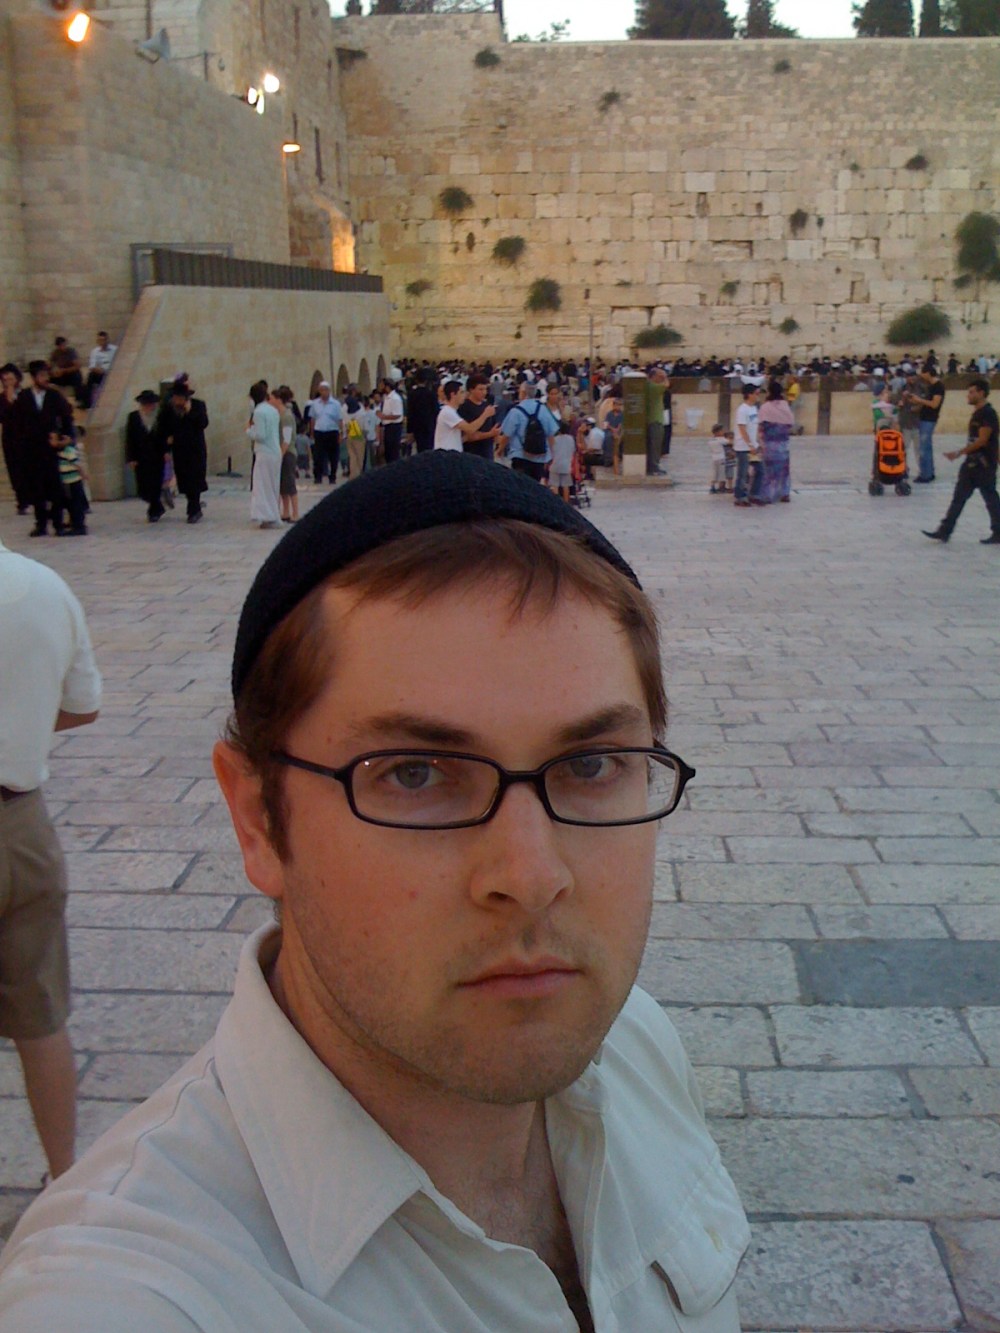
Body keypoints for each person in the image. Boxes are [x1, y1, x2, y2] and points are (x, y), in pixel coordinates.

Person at [0, 452, 749, 1330]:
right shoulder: (124, 1296)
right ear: (257, 819)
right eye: (417, 773)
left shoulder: (639, 1050)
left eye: (592, 765)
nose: (532, 875)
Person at [0, 541, 101, 1183]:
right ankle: (64, 1174)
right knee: (41, 1013)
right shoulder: (43, 587)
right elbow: (84, 705)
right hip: (20, 825)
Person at [923, 377, 1000, 545]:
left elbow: (983, 440)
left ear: (981, 393)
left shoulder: (987, 413)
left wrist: (958, 452)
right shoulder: (979, 413)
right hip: (972, 465)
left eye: (972, 392)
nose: (968, 396)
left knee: (990, 499)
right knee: (959, 498)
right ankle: (944, 531)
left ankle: (998, 531)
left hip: (983, 465)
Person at [14, 361, 74, 537]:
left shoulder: (54, 395)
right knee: (36, 488)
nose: (45, 378)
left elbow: (66, 417)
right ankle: (40, 523)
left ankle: (58, 523)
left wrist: (64, 437)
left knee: (55, 488)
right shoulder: (24, 397)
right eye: (41, 375)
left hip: (51, 449)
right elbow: (17, 423)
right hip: (31, 450)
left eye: (46, 375)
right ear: (33, 378)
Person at [158, 382, 209, 524]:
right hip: (180, 450)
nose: (177, 401)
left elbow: (203, 423)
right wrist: (166, 447)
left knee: (196, 479)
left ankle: (194, 509)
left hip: (196, 449)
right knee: (185, 480)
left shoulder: (198, 405)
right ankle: (193, 506)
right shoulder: (168, 410)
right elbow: (163, 429)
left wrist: (189, 412)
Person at [501, 381, 560, 482]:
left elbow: (507, 434)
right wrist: (552, 455)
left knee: (521, 486)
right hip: (540, 457)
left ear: (523, 393)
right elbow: (551, 435)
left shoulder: (516, 411)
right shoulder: (544, 409)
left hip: (520, 456)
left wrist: (499, 450)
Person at [125, 390, 167, 523]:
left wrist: (166, 451)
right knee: (143, 486)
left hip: (157, 455)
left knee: (155, 483)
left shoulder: (161, 416)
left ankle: (154, 510)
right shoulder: (133, 417)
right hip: (141, 457)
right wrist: (130, 458)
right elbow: (129, 438)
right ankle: (158, 505)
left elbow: (166, 435)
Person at [248, 383, 282, 529]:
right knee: (272, 485)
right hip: (275, 451)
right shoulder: (272, 410)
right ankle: (273, 514)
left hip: (264, 452)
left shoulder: (259, 412)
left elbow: (260, 435)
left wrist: (249, 431)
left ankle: (267, 516)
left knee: (262, 485)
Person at [756, 379, 795, 504]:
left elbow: (761, 425)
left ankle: (767, 494)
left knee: (768, 470)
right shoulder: (785, 405)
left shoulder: (765, 407)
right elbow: (790, 423)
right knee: (784, 469)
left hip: (769, 442)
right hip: (783, 443)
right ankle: (784, 493)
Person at [433, 380, 497, 453]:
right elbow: (470, 429)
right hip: (446, 454)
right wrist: (485, 414)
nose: (465, 395)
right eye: (461, 392)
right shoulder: (448, 412)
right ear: (453, 394)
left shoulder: (452, 412)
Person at [0, 362, 30, 514]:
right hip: (10, 438)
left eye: (10, 379)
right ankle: (22, 500)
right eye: (4, 380)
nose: (7, 382)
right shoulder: (1, 398)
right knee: (14, 469)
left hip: (26, 437)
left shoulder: (26, 395)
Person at [908, 361, 945, 483]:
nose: (921, 376)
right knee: (926, 447)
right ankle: (929, 472)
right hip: (925, 418)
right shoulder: (930, 386)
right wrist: (917, 404)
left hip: (929, 420)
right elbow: (928, 403)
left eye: (923, 373)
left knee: (923, 448)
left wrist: (919, 400)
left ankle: (925, 475)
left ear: (928, 373)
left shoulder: (938, 387)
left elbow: (934, 404)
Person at [51, 429, 88, 536]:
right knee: (71, 503)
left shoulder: (68, 451)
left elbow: (77, 463)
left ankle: (79, 526)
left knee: (76, 503)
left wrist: (83, 474)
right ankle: (74, 522)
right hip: (67, 481)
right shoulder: (60, 451)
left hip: (73, 480)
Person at [457, 373, 501, 461]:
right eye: (480, 389)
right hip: (471, 453)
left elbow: (494, 426)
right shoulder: (464, 408)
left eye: (485, 389)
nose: (484, 392)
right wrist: (490, 434)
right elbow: (467, 436)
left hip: (487, 452)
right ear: (471, 390)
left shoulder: (487, 405)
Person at [305, 382, 341, 484]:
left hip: (332, 431)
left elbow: (340, 419)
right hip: (319, 432)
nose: (323, 392)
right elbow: (312, 419)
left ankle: (332, 476)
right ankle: (318, 476)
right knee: (318, 456)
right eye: (321, 390)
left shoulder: (336, 404)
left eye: (325, 389)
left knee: (333, 456)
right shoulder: (315, 404)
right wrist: (311, 433)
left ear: (329, 391)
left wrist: (341, 433)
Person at [732, 384, 759, 507]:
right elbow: (742, 428)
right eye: (756, 393)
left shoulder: (754, 408)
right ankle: (740, 497)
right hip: (743, 446)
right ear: (749, 394)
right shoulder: (742, 410)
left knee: (760, 470)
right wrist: (749, 445)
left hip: (754, 445)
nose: (757, 396)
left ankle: (754, 494)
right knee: (742, 473)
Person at [276, 388, 299, 523]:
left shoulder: (286, 416)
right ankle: (285, 512)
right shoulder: (281, 415)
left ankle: (295, 512)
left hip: (288, 453)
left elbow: (287, 438)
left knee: (290, 484)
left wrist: (280, 454)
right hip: (283, 452)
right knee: (282, 485)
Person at [405, 367, 438, 454]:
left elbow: (410, 413)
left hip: (417, 427)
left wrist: (409, 431)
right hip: (430, 427)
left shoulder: (412, 394)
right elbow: (435, 411)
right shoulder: (431, 394)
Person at [83, 332, 117, 408]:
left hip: (113, 372)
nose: (103, 342)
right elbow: (92, 365)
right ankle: (87, 403)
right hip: (101, 372)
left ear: (107, 340)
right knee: (90, 376)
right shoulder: (95, 351)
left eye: (104, 340)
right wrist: (98, 369)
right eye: (100, 340)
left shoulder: (115, 349)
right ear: (97, 341)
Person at [47, 338, 83, 406]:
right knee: (47, 378)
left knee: (77, 377)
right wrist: (52, 371)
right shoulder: (56, 353)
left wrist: (65, 370)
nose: (63, 347)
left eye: (64, 345)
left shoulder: (71, 352)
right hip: (61, 375)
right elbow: (50, 363)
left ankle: (79, 400)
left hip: (71, 373)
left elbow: (77, 366)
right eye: (60, 346)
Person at [378, 377, 405, 464]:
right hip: (387, 427)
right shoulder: (386, 397)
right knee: (388, 452)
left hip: (394, 427)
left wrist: (383, 416)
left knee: (393, 452)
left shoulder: (395, 398)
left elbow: (397, 415)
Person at [708, 423, 727, 493]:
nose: (723, 432)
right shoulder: (721, 439)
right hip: (721, 458)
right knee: (721, 472)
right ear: (717, 432)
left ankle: (712, 486)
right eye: (722, 431)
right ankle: (721, 487)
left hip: (714, 458)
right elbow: (728, 442)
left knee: (715, 472)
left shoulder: (711, 440)